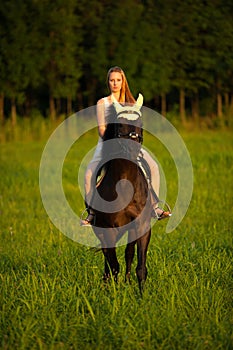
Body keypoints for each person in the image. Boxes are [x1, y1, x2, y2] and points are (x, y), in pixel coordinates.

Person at [81, 66, 171, 226]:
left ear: (123, 82)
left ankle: (155, 208)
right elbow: (102, 129)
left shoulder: (132, 103)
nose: (115, 83)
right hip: (107, 144)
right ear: (108, 82)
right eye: (112, 80)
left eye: (118, 80)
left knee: (153, 166)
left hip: (131, 144)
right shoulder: (103, 102)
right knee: (89, 174)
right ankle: (92, 213)